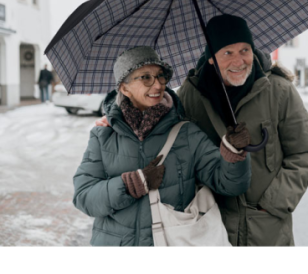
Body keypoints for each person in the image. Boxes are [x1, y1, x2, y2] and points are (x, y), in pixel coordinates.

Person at [74, 46, 251, 246]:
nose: (158, 85)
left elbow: (230, 185)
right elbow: (83, 197)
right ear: (124, 88)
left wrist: (233, 154)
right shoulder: (103, 135)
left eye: (160, 76)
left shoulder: (186, 133)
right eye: (146, 78)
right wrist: (131, 184)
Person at [177, 14, 308, 246]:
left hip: (266, 227)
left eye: (245, 50)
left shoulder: (279, 91)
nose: (239, 60)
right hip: (210, 226)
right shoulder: (190, 95)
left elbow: (305, 153)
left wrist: (273, 203)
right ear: (211, 58)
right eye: (227, 52)